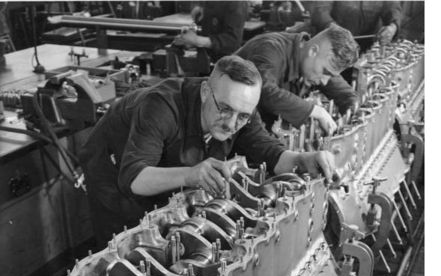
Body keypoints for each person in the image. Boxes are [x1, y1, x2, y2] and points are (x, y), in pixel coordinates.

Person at [79, 55, 337, 249]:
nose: (230, 123)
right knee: (129, 242)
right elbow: (134, 178)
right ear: (205, 92)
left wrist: (305, 160)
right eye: (224, 109)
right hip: (112, 166)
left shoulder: (242, 114)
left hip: (160, 165)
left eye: (242, 116)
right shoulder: (161, 106)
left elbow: (271, 153)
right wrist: (191, 174)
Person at [236, 24, 359, 135]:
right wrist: (315, 111)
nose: (325, 82)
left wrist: (354, 116)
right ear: (313, 51)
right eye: (325, 72)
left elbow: (346, 95)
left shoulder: (318, 63)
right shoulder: (269, 48)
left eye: (330, 76)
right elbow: (265, 92)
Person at [173, 1, 248, 61]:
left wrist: (197, 40)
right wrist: (189, 41)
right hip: (206, 60)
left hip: (226, 64)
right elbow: (210, 31)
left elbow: (232, 41)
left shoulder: (237, 3)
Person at [309, 1, 402, 50]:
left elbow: (393, 8)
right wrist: (336, 31)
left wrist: (392, 28)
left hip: (369, 49)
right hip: (333, 48)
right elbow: (319, 11)